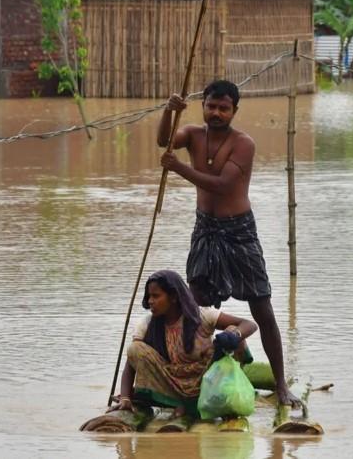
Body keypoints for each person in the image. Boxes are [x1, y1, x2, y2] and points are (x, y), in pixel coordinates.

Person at [157, 79, 303, 408]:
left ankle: (280, 385)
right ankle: (191, 380)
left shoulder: (244, 144)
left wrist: (179, 167)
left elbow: (223, 185)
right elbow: (164, 140)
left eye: (224, 108)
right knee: (193, 306)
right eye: (211, 106)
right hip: (205, 230)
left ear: (234, 111)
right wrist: (169, 111)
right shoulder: (193, 134)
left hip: (239, 232)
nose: (217, 113)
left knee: (262, 307)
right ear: (203, 106)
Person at [109, 269, 257, 416]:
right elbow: (131, 363)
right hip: (172, 384)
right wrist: (125, 398)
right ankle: (180, 404)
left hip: (205, 381)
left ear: (173, 297)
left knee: (232, 331)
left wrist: (234, 335)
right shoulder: (147, 324)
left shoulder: (202, 316)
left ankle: (200, 401)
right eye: (149, 296)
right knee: (135, 348)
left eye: (156, 296)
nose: (150, 301)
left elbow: (249, 324)